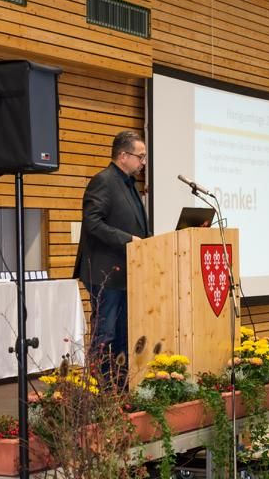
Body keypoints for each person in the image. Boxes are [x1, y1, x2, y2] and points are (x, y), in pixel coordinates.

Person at [73, 130, 150, 387]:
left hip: (126, 273)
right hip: (105, 273)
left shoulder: (129, 185)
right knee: (105, 334)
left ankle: (119, 386)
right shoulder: (103, 181)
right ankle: (98, 389)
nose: (143, 162)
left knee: (123, 335)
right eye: (140, 156)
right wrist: (128, 240)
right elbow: (93, 223)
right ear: (123, 156)